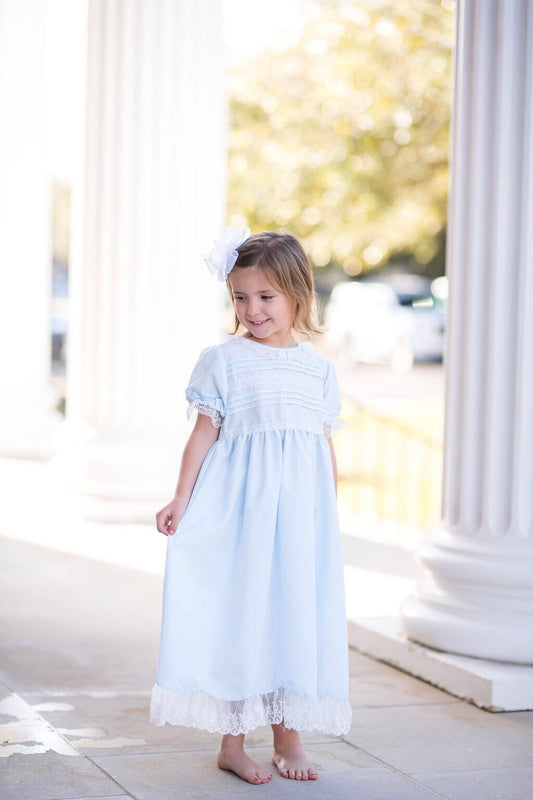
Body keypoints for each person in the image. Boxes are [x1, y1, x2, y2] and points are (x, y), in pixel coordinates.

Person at [151, 228, 352, 785]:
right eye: (240, 297)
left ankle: (288, 736)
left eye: (266, 297)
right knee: (246, 615)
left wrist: (325, 514)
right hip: (241, 517)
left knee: (292, 612)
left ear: (297, 296)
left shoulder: (317, 371)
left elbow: (322, 445)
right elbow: (203, 436)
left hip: (296, 522)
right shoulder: (224, 361)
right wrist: (181, 497)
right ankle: (232, 744)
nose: (252, 309)